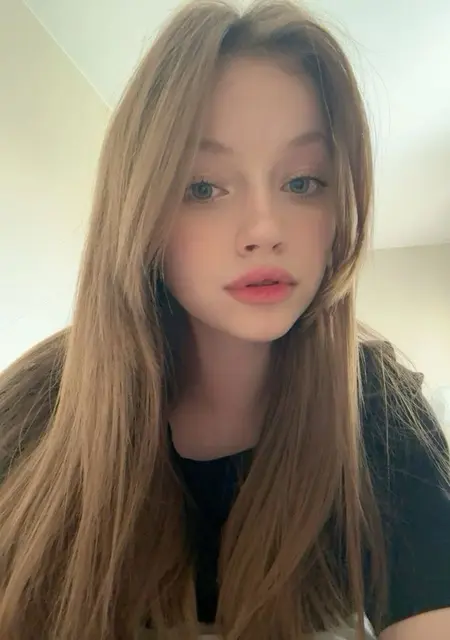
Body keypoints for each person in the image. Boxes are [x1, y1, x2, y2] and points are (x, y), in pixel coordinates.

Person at [0, 1, 449, 638]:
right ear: (140, 210)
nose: (264, 229)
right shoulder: (33, 407)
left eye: (303, 182)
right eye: (204, 187)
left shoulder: (376, 410)